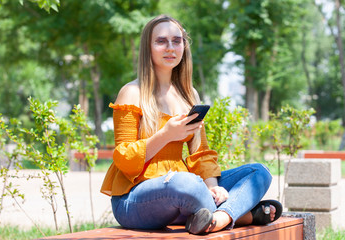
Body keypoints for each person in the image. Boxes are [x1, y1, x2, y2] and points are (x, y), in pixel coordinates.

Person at [100, 14, 282, 235]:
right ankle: (243, 214)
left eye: (177, 41)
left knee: (258, 173)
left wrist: (213, 186)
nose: (170, 47)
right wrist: (166, 134)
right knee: (186, 184)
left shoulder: (189, 95)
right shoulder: (132, 92)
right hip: (134, 199)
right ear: (148, 47)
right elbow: (123, 160)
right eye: (161, 41)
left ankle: (217, 219)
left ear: (184, 47)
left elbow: (201, 154)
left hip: (185, 191)